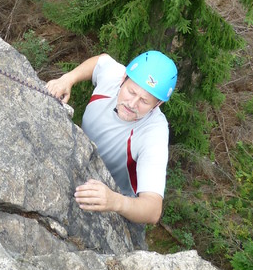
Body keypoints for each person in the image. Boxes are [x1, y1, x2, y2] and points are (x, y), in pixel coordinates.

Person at [46, 50, 177, 225]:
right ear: (123, 79)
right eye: (131, 92)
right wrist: (67, 79)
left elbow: (153, 209)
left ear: (158, 104)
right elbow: (101, 61)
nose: (132, 104)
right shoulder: (113, 76)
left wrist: (115, 201)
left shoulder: (154, 134)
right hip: (76, 160)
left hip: (113, 198)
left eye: (144, 101)